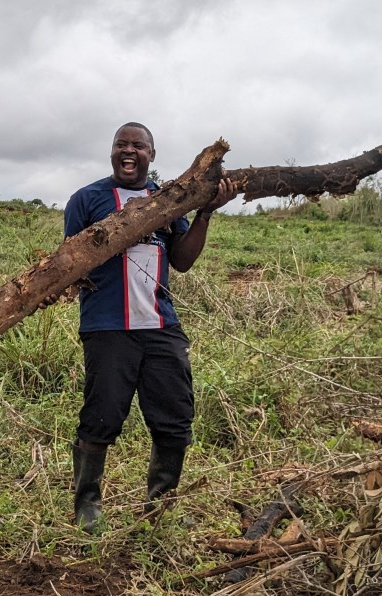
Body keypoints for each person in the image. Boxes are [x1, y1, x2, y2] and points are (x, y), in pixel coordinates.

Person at [62, 122, 237, 533]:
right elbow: (69, 264)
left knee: (174, 419)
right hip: (108, 327)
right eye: (120, 144)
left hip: (161, 326)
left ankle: (160, 506)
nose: (128, 151)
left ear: (151, 155)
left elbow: (182, 260)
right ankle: (87, 506)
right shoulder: (86, 199)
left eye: (137, 146)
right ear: (111, 153)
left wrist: (204, 213)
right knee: (101, 417)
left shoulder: (166, 200)